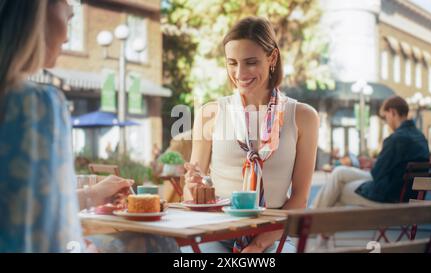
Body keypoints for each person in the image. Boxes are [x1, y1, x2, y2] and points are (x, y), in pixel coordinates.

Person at [0, 0, 178, 252]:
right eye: (66, 2)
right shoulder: (36, 104)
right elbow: (44, 236)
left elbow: (25, 206)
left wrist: (91, 195)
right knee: (158, 244)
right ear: (37, 10)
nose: (72, 11)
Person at [184, 17, 320, 253]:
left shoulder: (304, 117)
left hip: (272, 234)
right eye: (232, 63)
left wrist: (258, 245)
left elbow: (299, 199)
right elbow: (190, 192)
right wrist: (193, 187)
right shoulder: (209, 113)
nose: (240, 73)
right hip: (215, 231)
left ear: (272, 58)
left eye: (250, 62)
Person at [312, 96, 430, 210]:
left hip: (389, 196)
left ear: (392, 112)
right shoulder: (420, 137)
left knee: (339, 187)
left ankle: (309, 219)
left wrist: (371, 164)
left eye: (386, 117)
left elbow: (376, 174)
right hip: (407, 194)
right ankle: (312, 220)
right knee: (339, 174)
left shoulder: (395, 139)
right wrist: (375, 162)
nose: (387, 121)